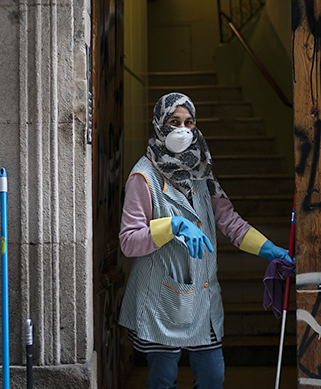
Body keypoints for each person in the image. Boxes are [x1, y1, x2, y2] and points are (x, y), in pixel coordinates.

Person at [118, 92, 293, 389]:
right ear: (160, 124)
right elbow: (129, 241)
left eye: (189, 122)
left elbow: (229, 221)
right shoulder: (143, 177)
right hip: (163, 300)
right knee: (163, 380)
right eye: (174, 122)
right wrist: (172, 226)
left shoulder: (202, 172)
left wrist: (270, 250)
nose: (182, 130)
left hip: (202, 299)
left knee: (213, 378)